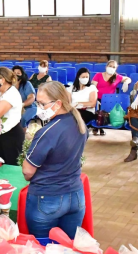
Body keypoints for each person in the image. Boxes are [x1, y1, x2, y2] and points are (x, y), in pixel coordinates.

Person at [21, 82, 88, 239]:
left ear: (58, 103)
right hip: (76, 195)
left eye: (42, 104)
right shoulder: (78, 122)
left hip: (48, 198)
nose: (40, 108)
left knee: (43, 250)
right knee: (69, 250)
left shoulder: (48, 132)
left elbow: (27, 171)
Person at [0, 67, 25, 166]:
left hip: (12, 135)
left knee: (11, 165)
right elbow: (0, 115)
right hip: (3, 133)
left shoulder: (11, 94)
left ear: (2, 80)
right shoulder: (3, 93)